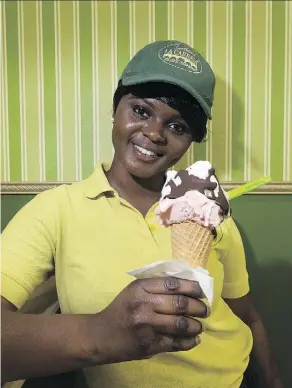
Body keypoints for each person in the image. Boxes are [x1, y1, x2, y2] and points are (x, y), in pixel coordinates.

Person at [1, 40, 283, 388]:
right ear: (116, 108)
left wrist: (273, 380)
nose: (153, 134)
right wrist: (101, 332)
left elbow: (247, 316)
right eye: (140, 111)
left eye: (178, 126)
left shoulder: (209, 211)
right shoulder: (57, 210)